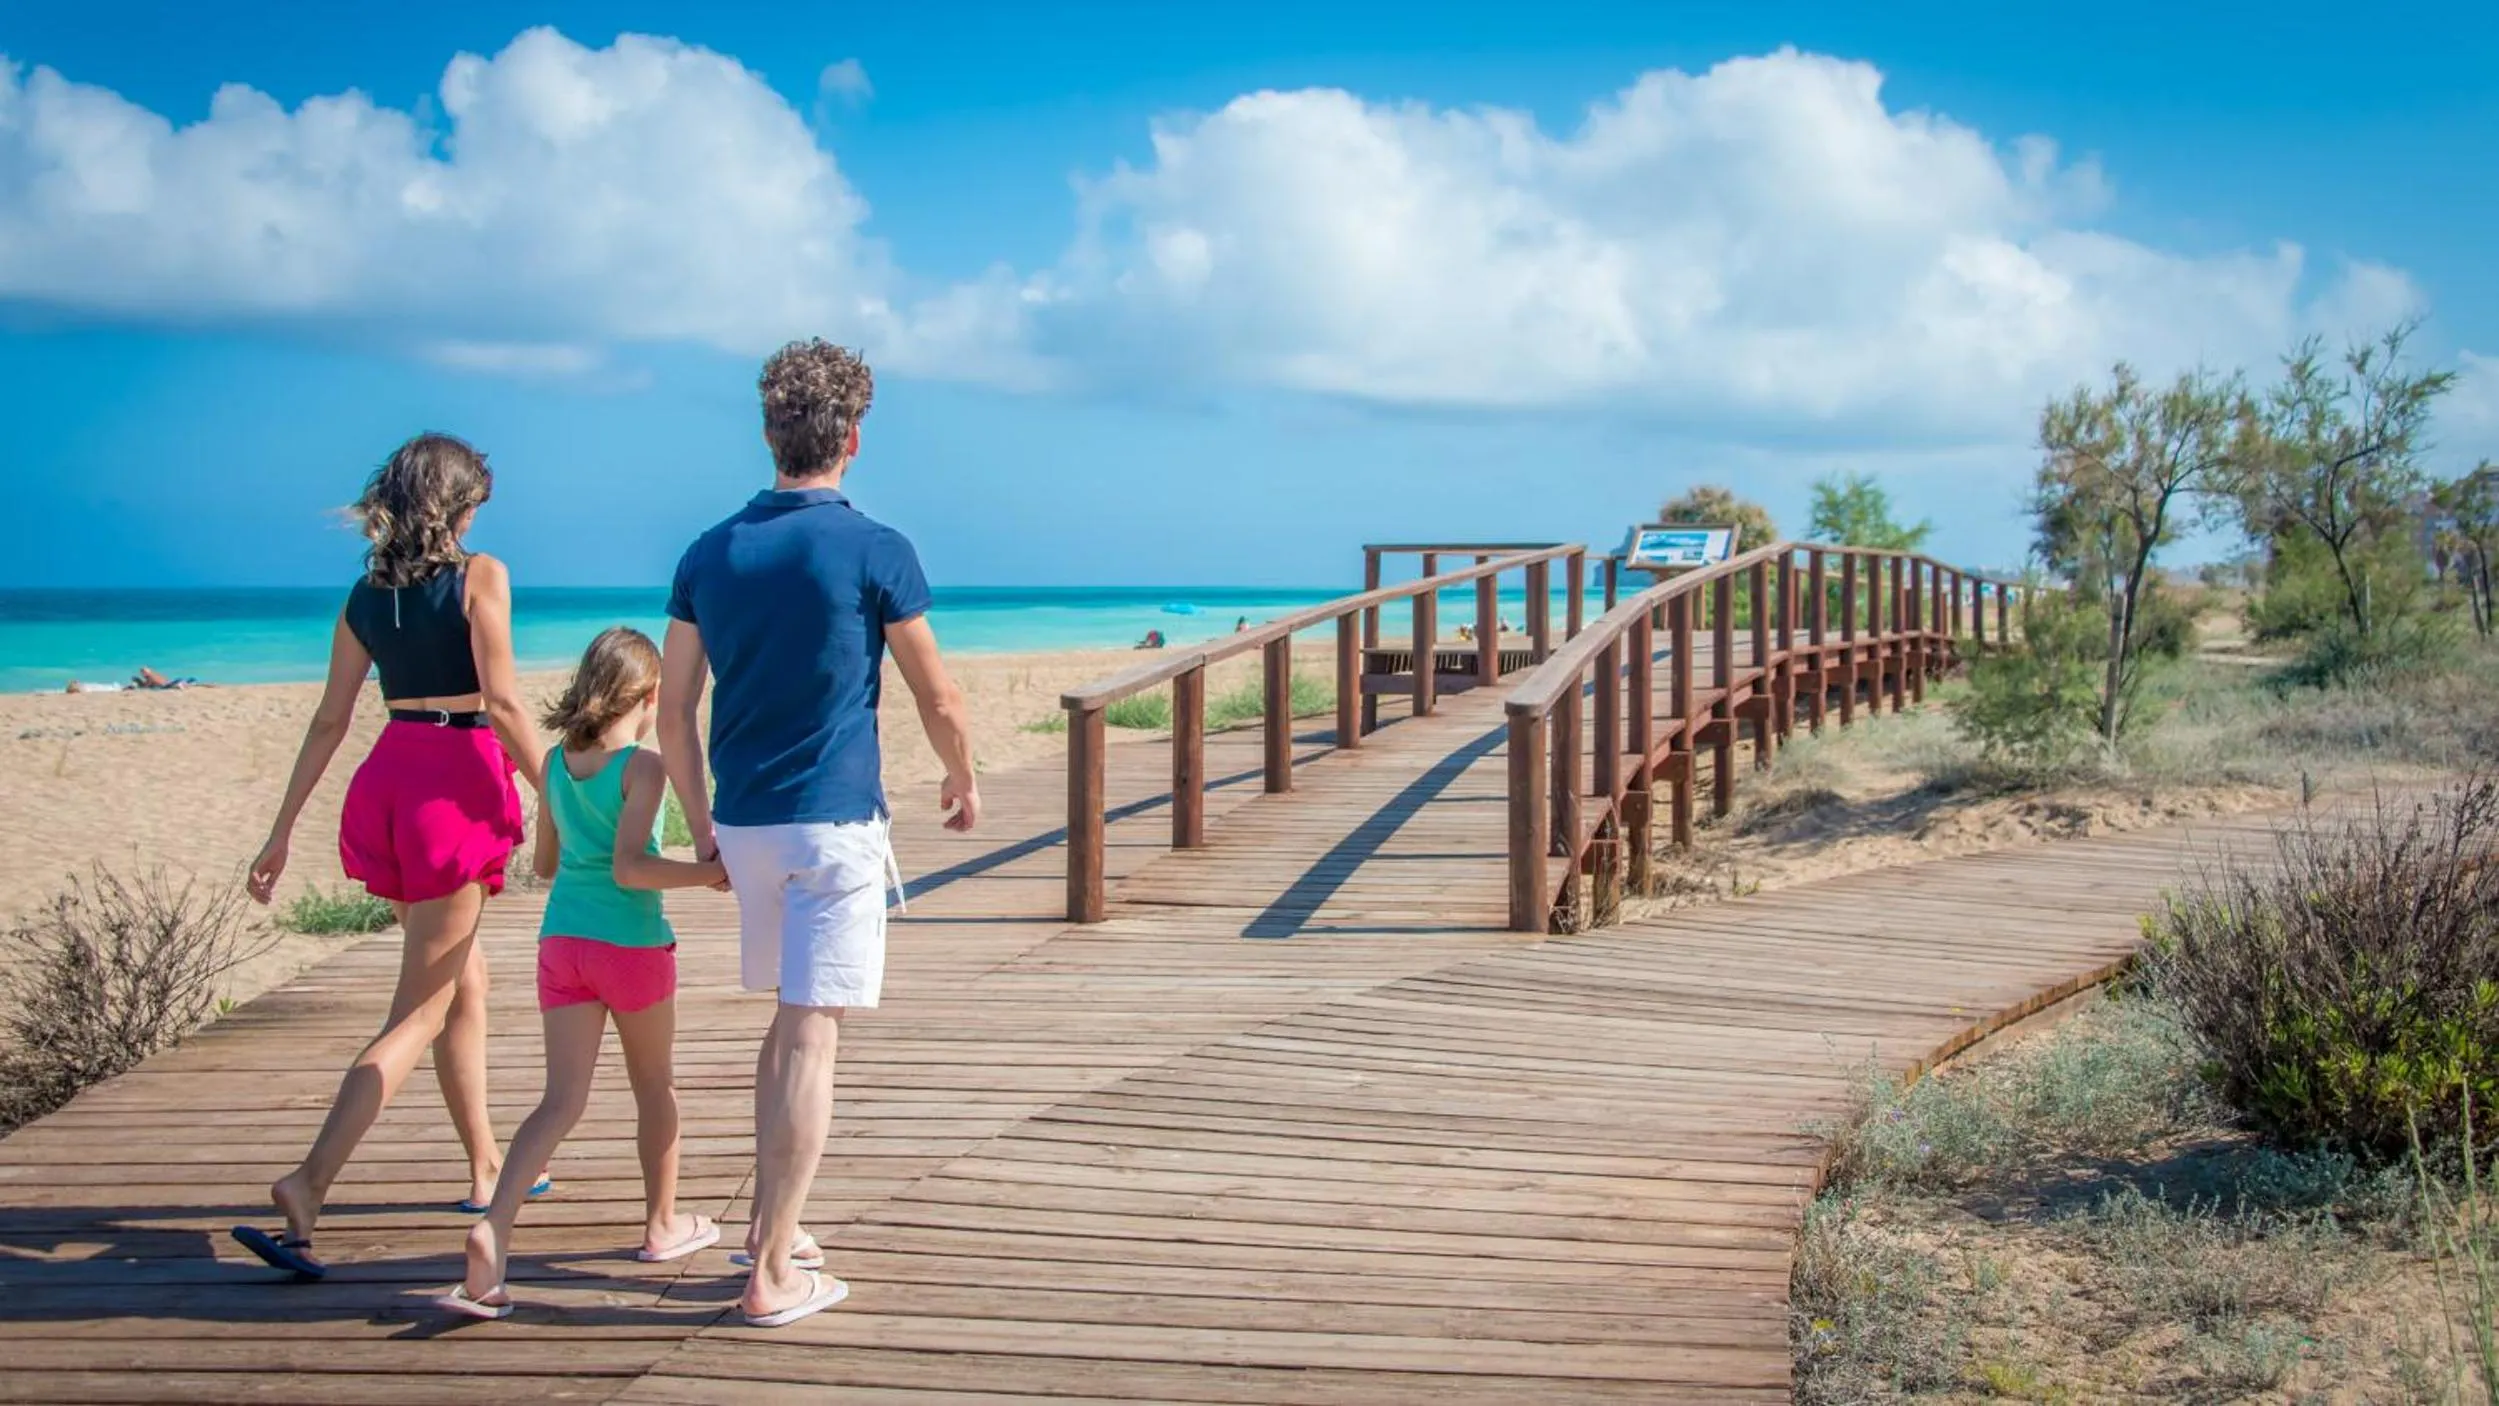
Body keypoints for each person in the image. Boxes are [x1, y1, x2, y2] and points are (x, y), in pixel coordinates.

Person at [659, 339, 979, 1328]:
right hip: (831, 822)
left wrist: (701, 818)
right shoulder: (876, 546)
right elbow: (935, 687)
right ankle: (770, 1274)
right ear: (852, 436)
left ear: (768, 432)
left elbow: (674, 707)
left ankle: (778, 1224)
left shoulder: (708, 550)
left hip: (746, 822)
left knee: (791, 1019)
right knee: (811, 1030)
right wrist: (961, 773)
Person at [232, 432, 544, 1280]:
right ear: (456, 503)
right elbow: (506, 700)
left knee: (460, 981)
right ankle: (309, 1181)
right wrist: (561, 793)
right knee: (421, 1008)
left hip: (390, 780)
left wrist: (282, 828)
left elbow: (331, 719)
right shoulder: (482, 575)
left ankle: (485, 1167)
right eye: (476, 495)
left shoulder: (364, 593)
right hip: (454, 784)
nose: (482, 510)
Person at [440, 628, 726, 1318]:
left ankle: (493, 1227)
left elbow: (542, 865)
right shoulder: (643, 768)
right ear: (651, 695)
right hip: (628, 944)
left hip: (561, 943)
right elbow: (631, 869)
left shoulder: (555, 763)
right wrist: (707, 873)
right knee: (655, 1086)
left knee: (559, 1100)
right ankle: (662, 1226)